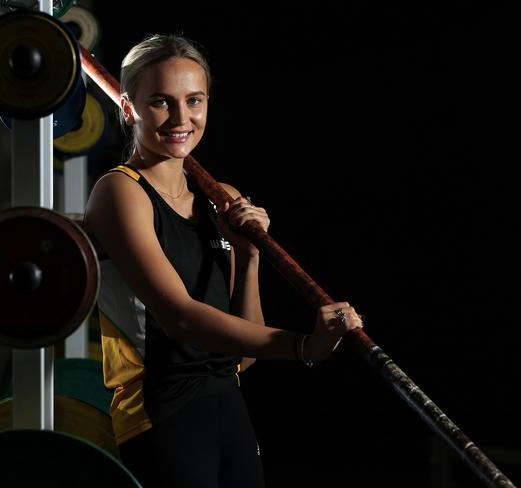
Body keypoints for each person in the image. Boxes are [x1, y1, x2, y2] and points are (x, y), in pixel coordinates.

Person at [83, 33, 363, 488]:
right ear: (128, 106)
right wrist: (302, 347)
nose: (181, 118)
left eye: (194, 100)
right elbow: (181, 319)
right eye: (160, 102)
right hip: (160, 413)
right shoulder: (120, 192)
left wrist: (250, 256)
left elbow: (240, 358)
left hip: (228, 410)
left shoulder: (221, 200)